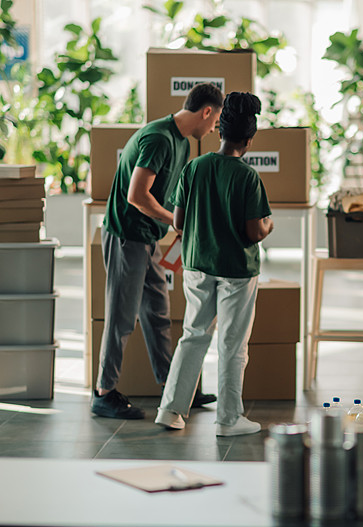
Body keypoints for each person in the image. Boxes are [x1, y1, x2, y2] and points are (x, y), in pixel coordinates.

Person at [92, 83, 224, 419]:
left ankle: (173, 386)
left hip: (148, 237)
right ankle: (104, 393)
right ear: (206, 111)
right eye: (215, 121)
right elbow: (137, 195)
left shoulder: (181, 142)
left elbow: (165, 193)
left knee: (157, 314)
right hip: (127, 235)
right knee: (122, 317)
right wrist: (176, 221)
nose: (214, 129)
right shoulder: (159, 138)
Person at [154, 92, 273, 437]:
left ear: (219, 131)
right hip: (237, 271)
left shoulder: (195, 167)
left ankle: (171, 410)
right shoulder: (248, 177)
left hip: (197, 265)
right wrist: (269, 225)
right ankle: (228, 419)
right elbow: (254, 231)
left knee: (193, 336)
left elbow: (178, 222)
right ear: (249, 140)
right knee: (232, 345)